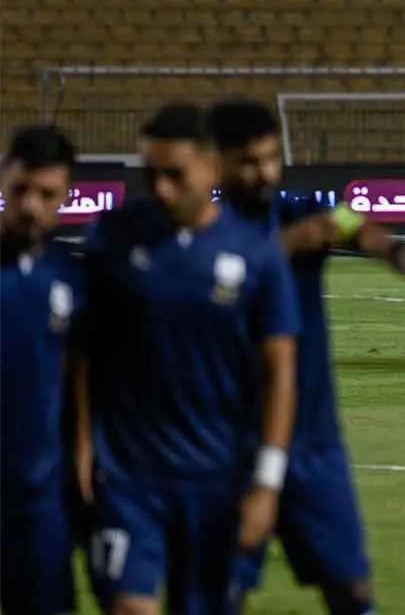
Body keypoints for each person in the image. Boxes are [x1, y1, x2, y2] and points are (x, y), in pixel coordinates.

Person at [208, 99, 405, 613]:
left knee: (351, 590)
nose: (263, 171)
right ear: (216, 161)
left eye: (270, 158)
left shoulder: (306, 209)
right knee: (224, 592)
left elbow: (365, 232)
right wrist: (287, 245)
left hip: (314, 442)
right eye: (248, 161)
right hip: (230, 442)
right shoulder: (203, 233)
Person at [78, 103, 300, 614]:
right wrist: (84, 444)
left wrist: (267, 481)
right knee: (129, 606)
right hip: (130, 478)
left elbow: (280, 370)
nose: (160, 189)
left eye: (174, 175)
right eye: (150, 174)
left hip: (221, 479)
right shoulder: (112, 237)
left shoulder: (255, 255)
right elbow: (87, 351)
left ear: (211, 167)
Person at [0, 125, 83, 615]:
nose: (31, 205)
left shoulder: (72, 278)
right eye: (19, 190)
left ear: (65, 196)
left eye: (46, 194)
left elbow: (83, 378)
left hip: (41, 497)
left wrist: (86, 463)